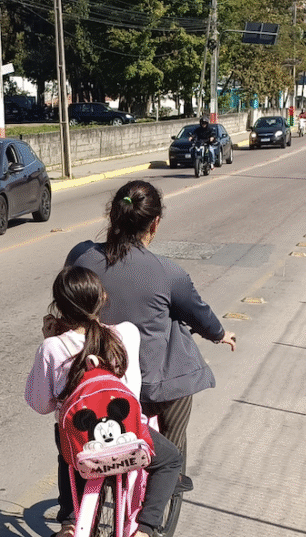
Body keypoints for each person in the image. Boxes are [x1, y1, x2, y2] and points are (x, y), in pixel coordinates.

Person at [66, 180, 236, 467]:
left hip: (95, 379)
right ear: (154, 223)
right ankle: (172, 475)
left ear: (112, 215)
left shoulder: (81, 257)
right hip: (153, 387)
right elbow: (198, 313)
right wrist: (219, 334)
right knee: (178, 347)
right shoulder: (168, 273)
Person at [25, 266, 182, 537]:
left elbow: (41, 405)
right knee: (171, 460)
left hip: (80, 447)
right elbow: (132, 392)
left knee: (65, 443)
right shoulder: (125, 333)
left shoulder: (52, 347)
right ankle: (144, 533)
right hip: (127, 437)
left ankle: (69, 524)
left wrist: (49, 339)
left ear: (57, 307)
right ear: (103, 298)